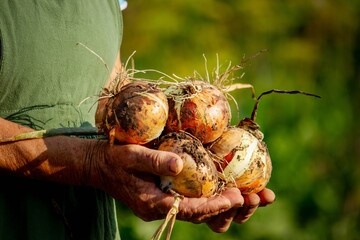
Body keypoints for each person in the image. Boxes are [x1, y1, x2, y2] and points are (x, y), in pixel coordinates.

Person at [0, 1, 275, 239]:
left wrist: (154, 156)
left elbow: (109, 87)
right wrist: (89, 163)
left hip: (88, 216)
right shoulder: (94, 164)